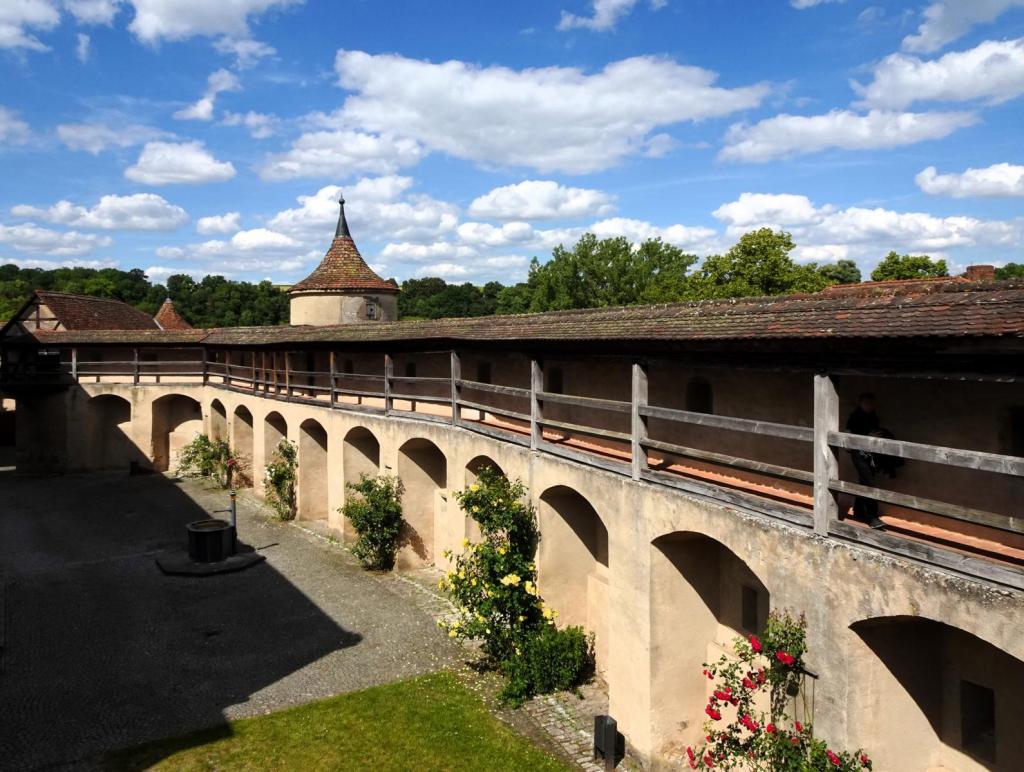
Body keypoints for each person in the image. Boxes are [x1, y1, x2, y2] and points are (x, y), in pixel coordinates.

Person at [845, 393, 887, 529]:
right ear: (861, 403)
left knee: (864, 482)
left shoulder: (873, 416)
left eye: (871, 403)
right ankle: (872, 517)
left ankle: (858, 511)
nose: (870, 406)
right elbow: (848, 436)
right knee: (870, 483)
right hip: (859, 454)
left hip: (871, 455)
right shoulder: (854, 417)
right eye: (867, 403)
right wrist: (866, 436)